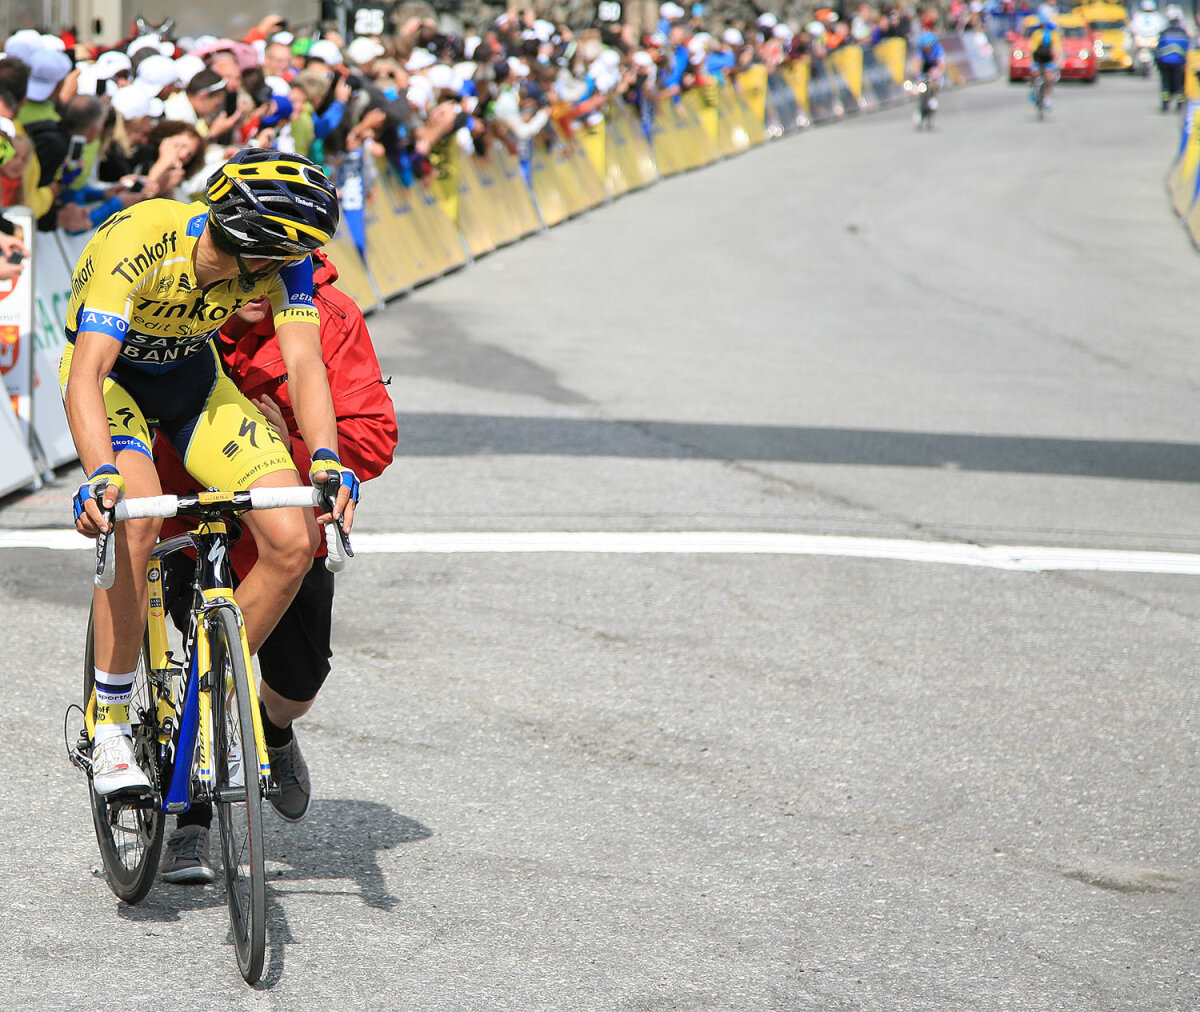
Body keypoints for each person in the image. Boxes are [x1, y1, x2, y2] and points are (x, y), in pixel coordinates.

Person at [62, 148, 358, 799]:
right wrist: (99, 475)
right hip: (115, 385)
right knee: (136, 519)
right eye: (285, 255)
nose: (292, 268)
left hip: (194, 382)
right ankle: (108, 724)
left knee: (294, 540)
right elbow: (86, 373)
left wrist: (329, 459)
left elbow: (305, 364)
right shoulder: (141, 238)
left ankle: (207, 704)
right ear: (254, 245)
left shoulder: (286, 267)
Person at [152, 249, 398, 882]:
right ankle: (191, 822)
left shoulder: (331, 317)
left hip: (288, 531)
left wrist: (282, 447)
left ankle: (275, 733)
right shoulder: (182, 311)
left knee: (298, 682)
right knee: (207, 670)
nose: (255, 283)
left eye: (272, 269)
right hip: (199, 521)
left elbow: (373, 432)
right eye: (244, 267)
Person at [1155, 6, 1190, 112]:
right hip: (1179, 62)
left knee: (1165, 82)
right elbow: (1187, 48)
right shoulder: (1183, 32)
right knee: (1179, 84)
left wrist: (1157, 62)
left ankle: (1165, 104)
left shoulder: (1164, 32)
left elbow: (1158, 48)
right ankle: (1179, 105)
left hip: (1165, 62)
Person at [1027, 7, 1059, 111]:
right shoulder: (1036, 33)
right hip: (1038, 58)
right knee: (1034, 73)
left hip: (1048, 58)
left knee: (1049, 78)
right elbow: (1032, 48)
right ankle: (1033, 90)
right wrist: (1031, 62)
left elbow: (1057, 48)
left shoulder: (1053, 33)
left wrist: (1058, 60)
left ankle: (1047, 98)